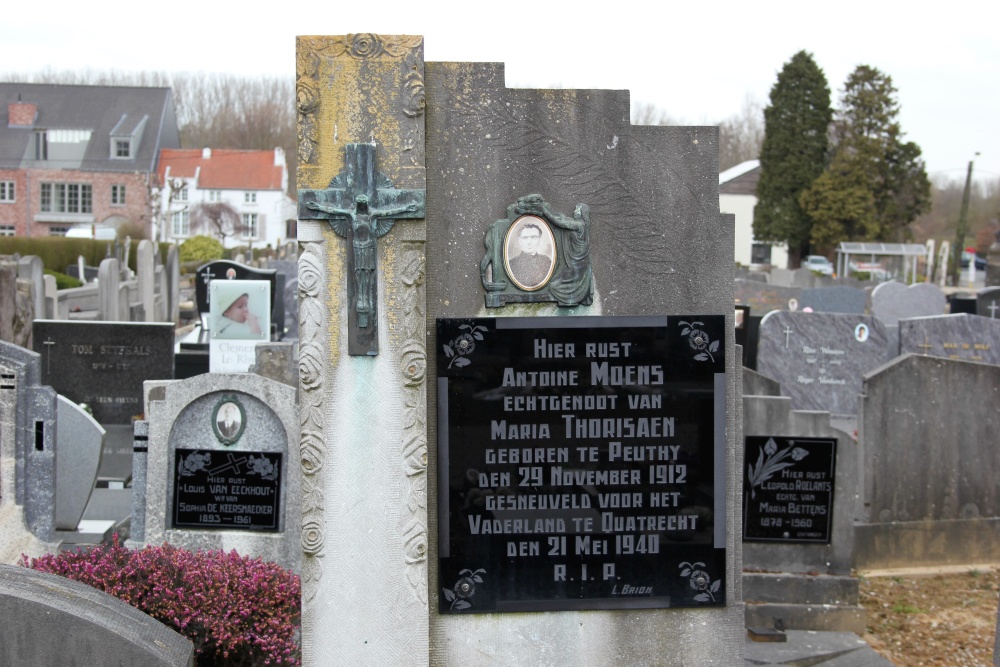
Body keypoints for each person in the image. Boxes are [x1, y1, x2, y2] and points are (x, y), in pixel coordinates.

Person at [507, 222, 552, 288]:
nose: (529, 242)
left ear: (540, 240)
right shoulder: (511, 264)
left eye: (533, 237)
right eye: (525, 238)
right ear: (520, 241)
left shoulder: (547, 261)